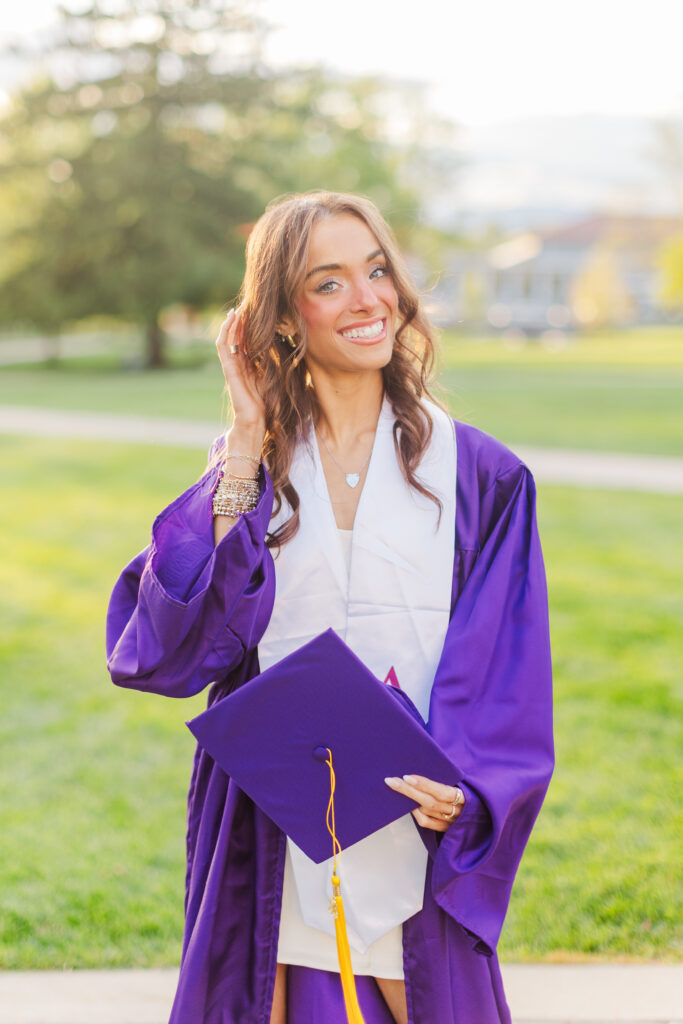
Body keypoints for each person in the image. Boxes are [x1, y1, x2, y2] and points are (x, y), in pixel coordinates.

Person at [106, 190, 554, 1024]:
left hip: (416, 820)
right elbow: (167, 652)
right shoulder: (249, 472)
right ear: (281, 317)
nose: (367, 299)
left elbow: (508, 674)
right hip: (272, 820)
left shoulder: (481, 479)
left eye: (376, 270)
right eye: (329, 282)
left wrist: (472, 797)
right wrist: (244, 440)